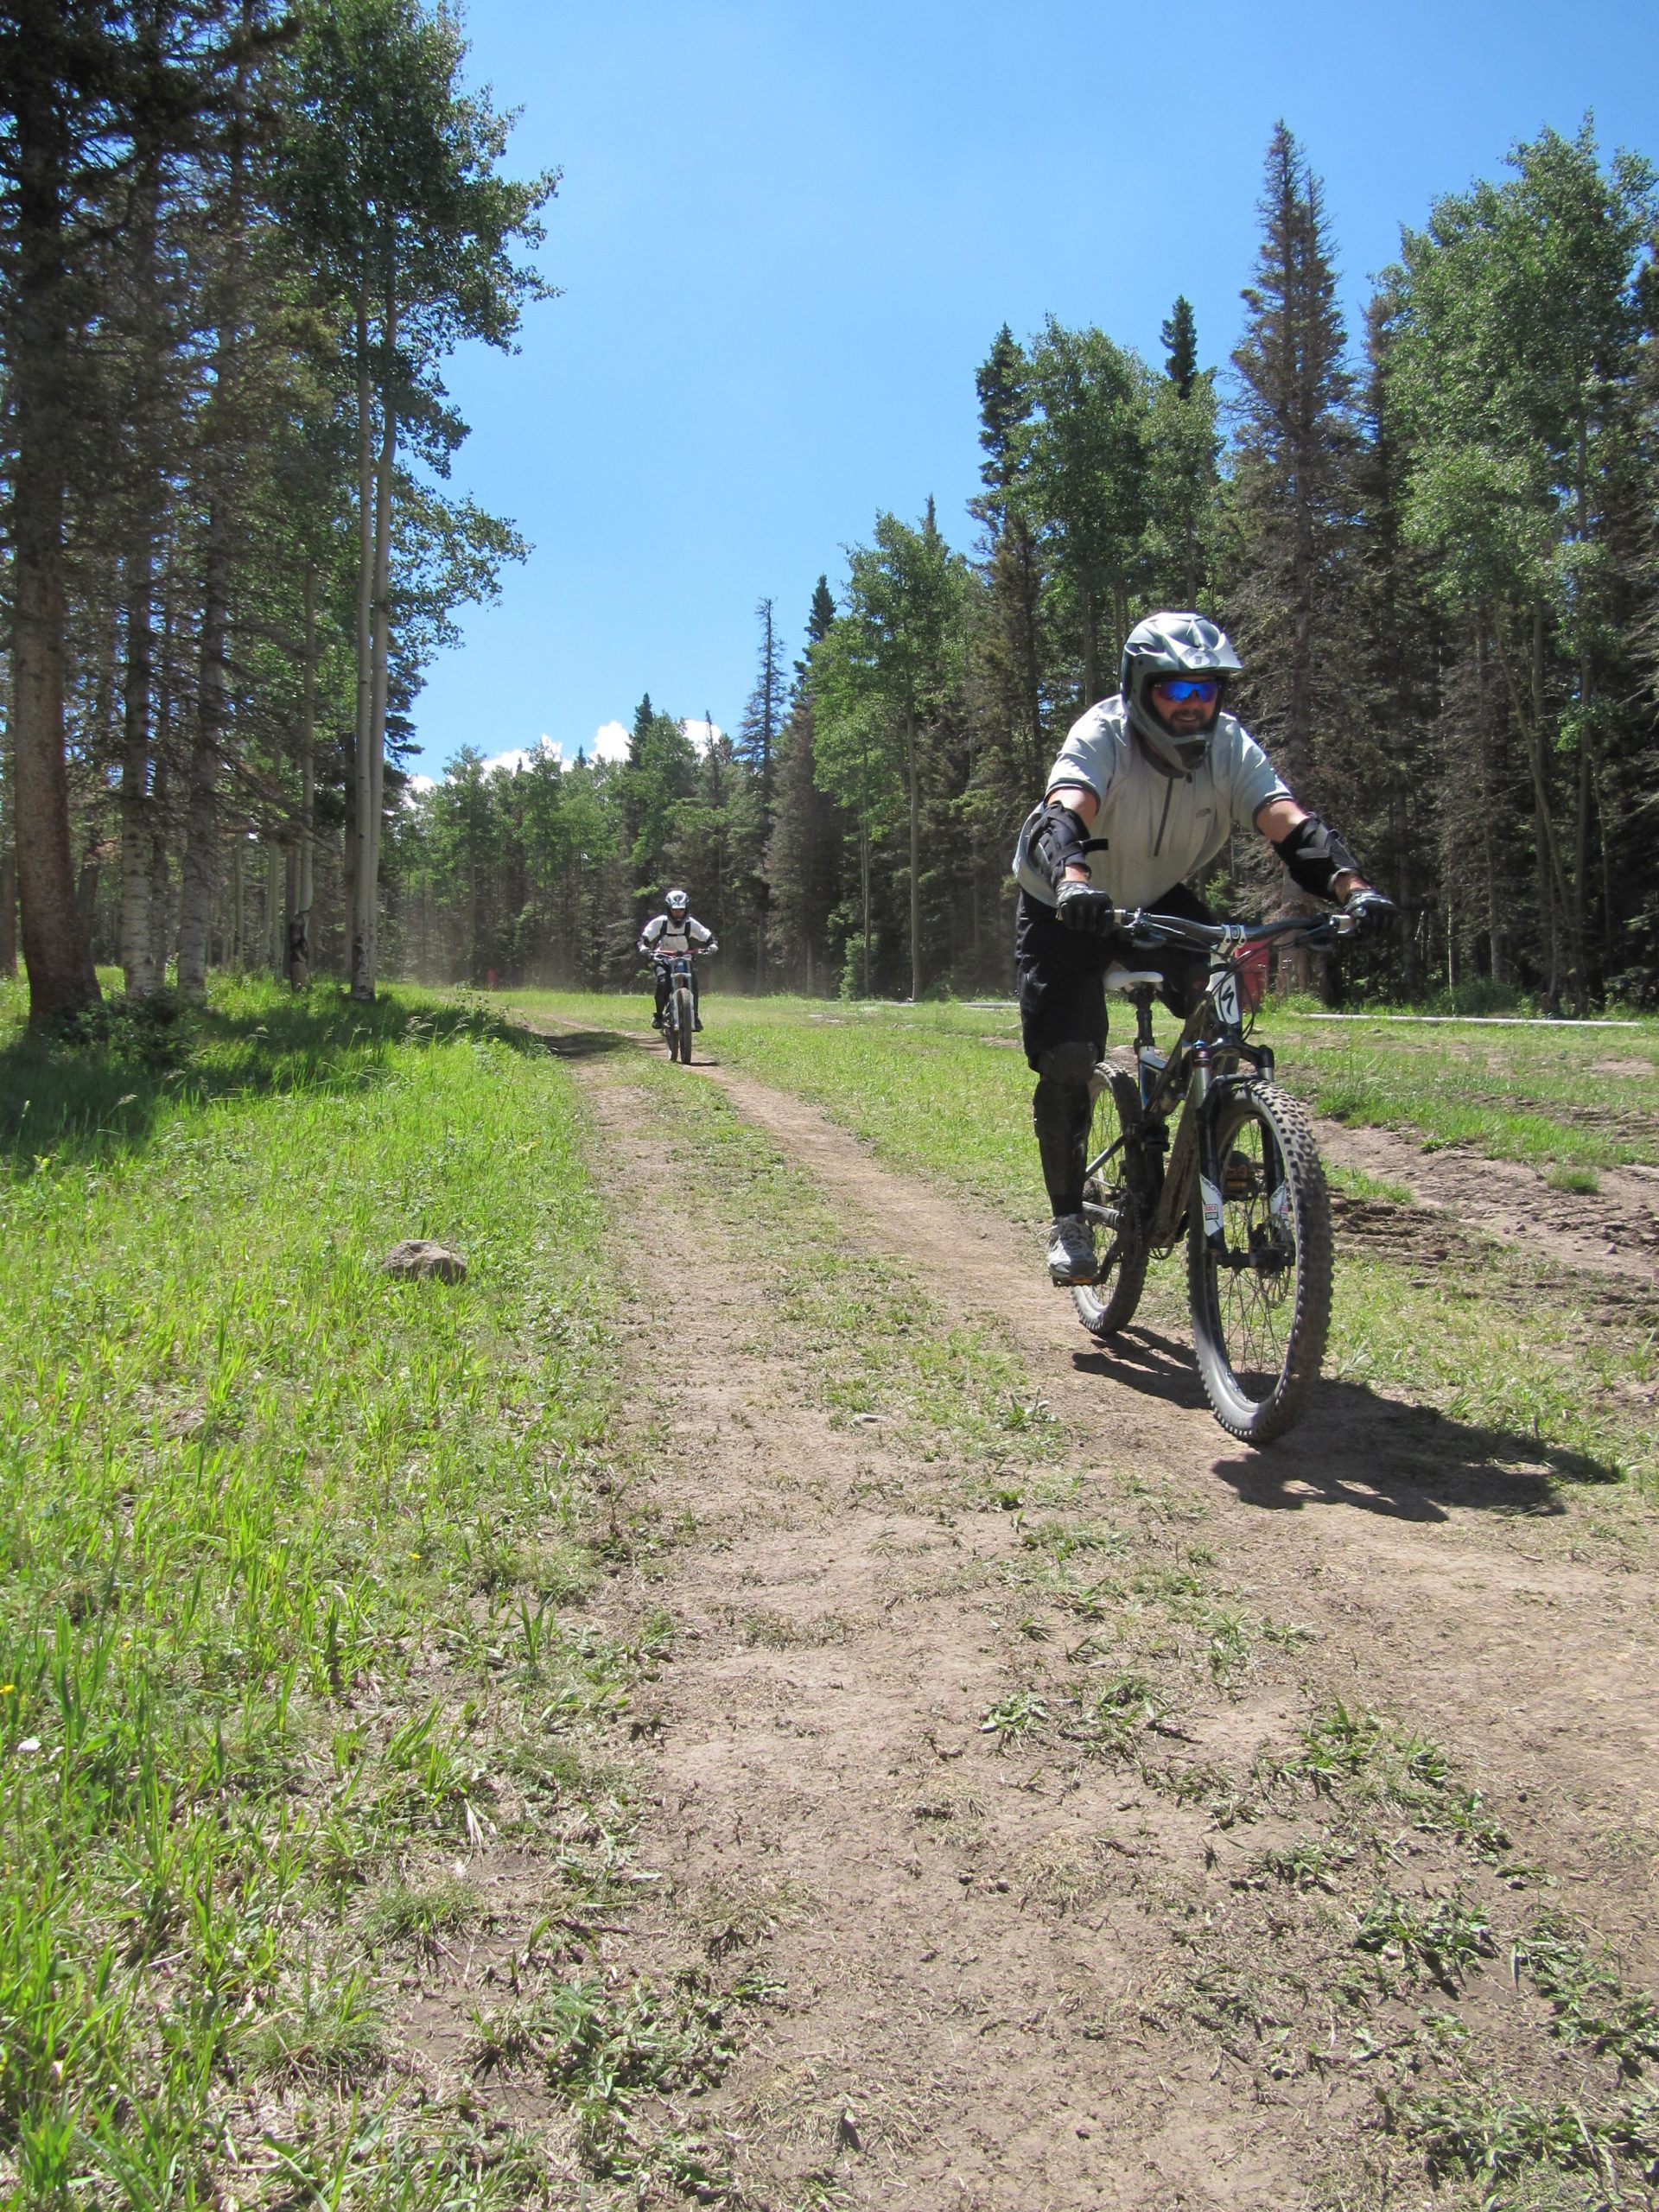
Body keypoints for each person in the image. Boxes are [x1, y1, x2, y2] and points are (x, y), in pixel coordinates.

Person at [1013, 611, 1392, 1287]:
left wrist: (1353, 888)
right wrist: (1073, 882)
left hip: (1157, 895)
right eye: (1175, 692)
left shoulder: (1229, 749)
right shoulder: (1102, 735)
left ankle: (1207, 1129)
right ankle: (1069, 1219)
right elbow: (1063, 813)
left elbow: (1291, 826)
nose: (1192, 708)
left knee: (1220, 997)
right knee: (1069, 1056)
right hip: (1064, 903)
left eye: (1205, 692)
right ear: (1139, 687)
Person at [638, 888, 717, 1028]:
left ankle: (694, 1017)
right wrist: (644, 948)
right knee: (663, 983)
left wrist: (712, 944)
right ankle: (658, 1015)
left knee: (693, 984)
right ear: (669, 909)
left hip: (685, 958)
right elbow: (644, 937)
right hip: (663, 957)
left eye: (681, 910)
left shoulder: (690, 923)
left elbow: (706, 935)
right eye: (675, 910)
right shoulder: (660, 922)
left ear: (686, 909)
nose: (678, 913)